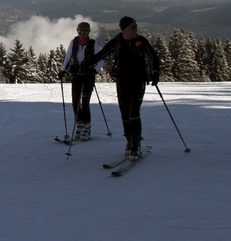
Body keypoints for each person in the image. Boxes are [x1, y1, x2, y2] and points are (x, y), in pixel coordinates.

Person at [82, 16, 160, 160]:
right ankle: (129, 142)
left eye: (136, 26)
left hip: (138, 80)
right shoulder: (117, 41)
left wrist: (155, 73)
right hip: (122, 81)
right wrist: (86, 64)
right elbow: (101, 55)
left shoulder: (141, 41)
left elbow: (154, 58)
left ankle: (136, 144)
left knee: (134, 111)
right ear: (124, 29)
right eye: (133, 27)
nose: (136, 29)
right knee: (124, 112)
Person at [58, 22, 103, 141]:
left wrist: (95, 70)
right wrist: (63, 70)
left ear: (88, 33)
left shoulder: (93, 44)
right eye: (80, 33)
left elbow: (100, 61)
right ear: (77, 32)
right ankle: (79, 123)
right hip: (77, 76)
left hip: (88, 76)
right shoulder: (73, 43)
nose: (82, 35)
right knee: (75, 101)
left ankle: (87, 126)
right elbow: (68, 58)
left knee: (85, 101)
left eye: (85, 33)